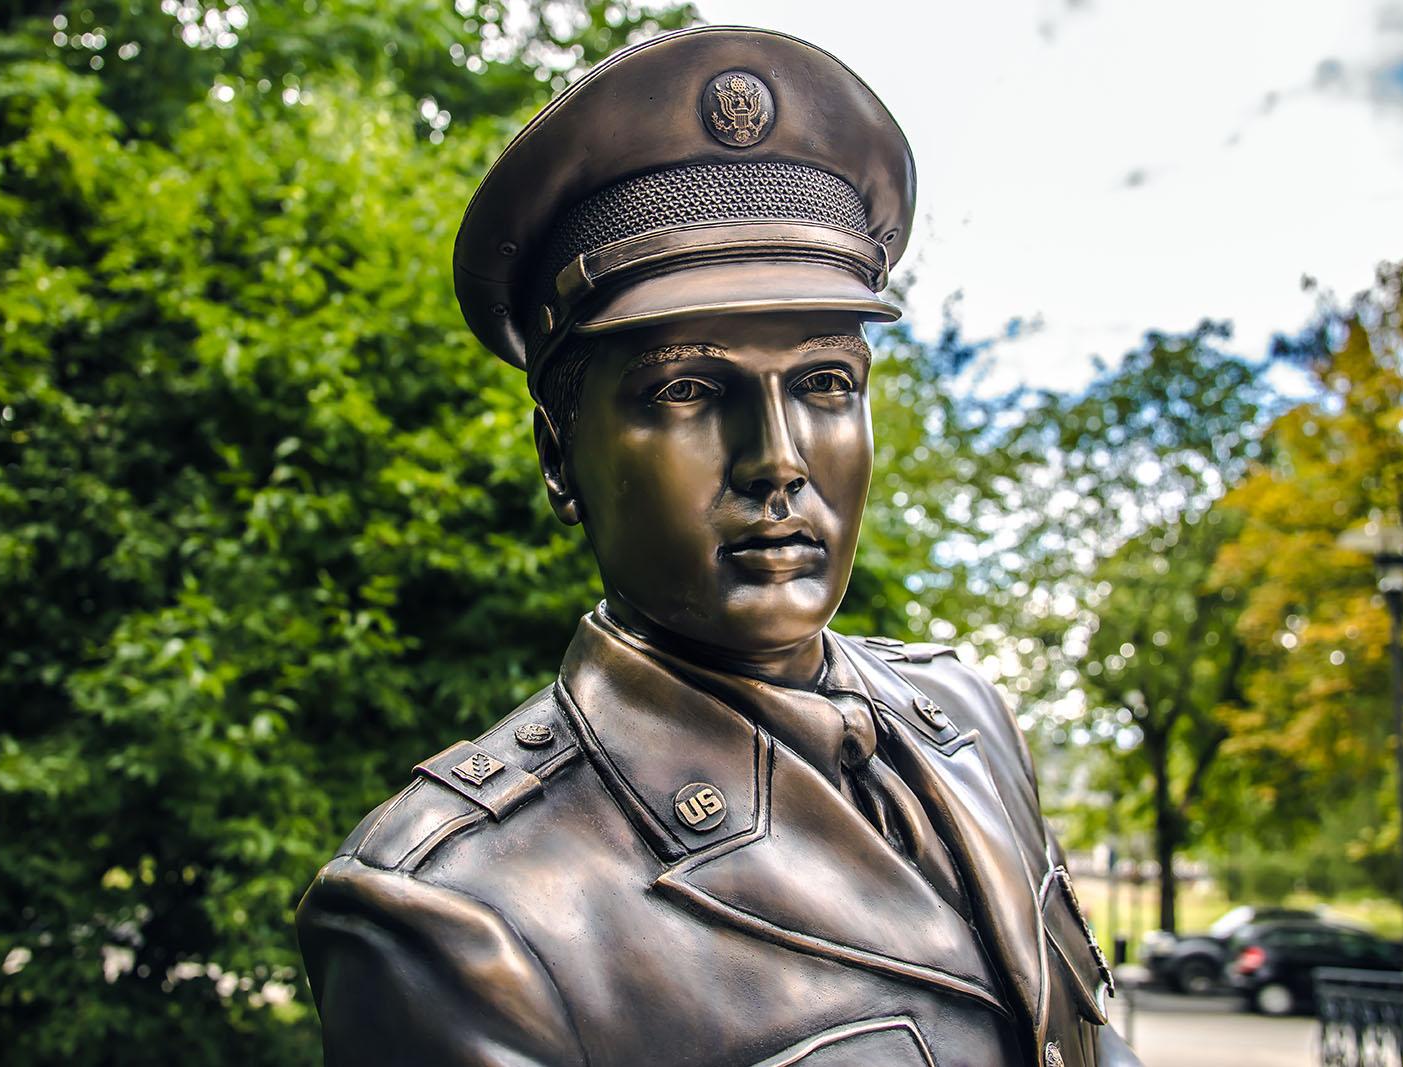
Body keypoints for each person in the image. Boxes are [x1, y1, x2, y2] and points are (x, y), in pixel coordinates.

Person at [296, 25, 1142, 1067]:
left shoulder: (966, 719)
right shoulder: (458, 912)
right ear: (560, 454)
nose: (778, 459)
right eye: (690, 391)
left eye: (826, 383)